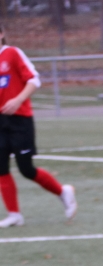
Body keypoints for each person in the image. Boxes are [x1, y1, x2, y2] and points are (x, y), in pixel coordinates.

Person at [0, 25, 76, 228]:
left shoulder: (12, 53)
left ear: (2, 34)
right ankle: (14, 215)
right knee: (1, 168)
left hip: (20, 120)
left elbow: (34, 80)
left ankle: (63, 192)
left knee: (26, 168)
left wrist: (17, 100)